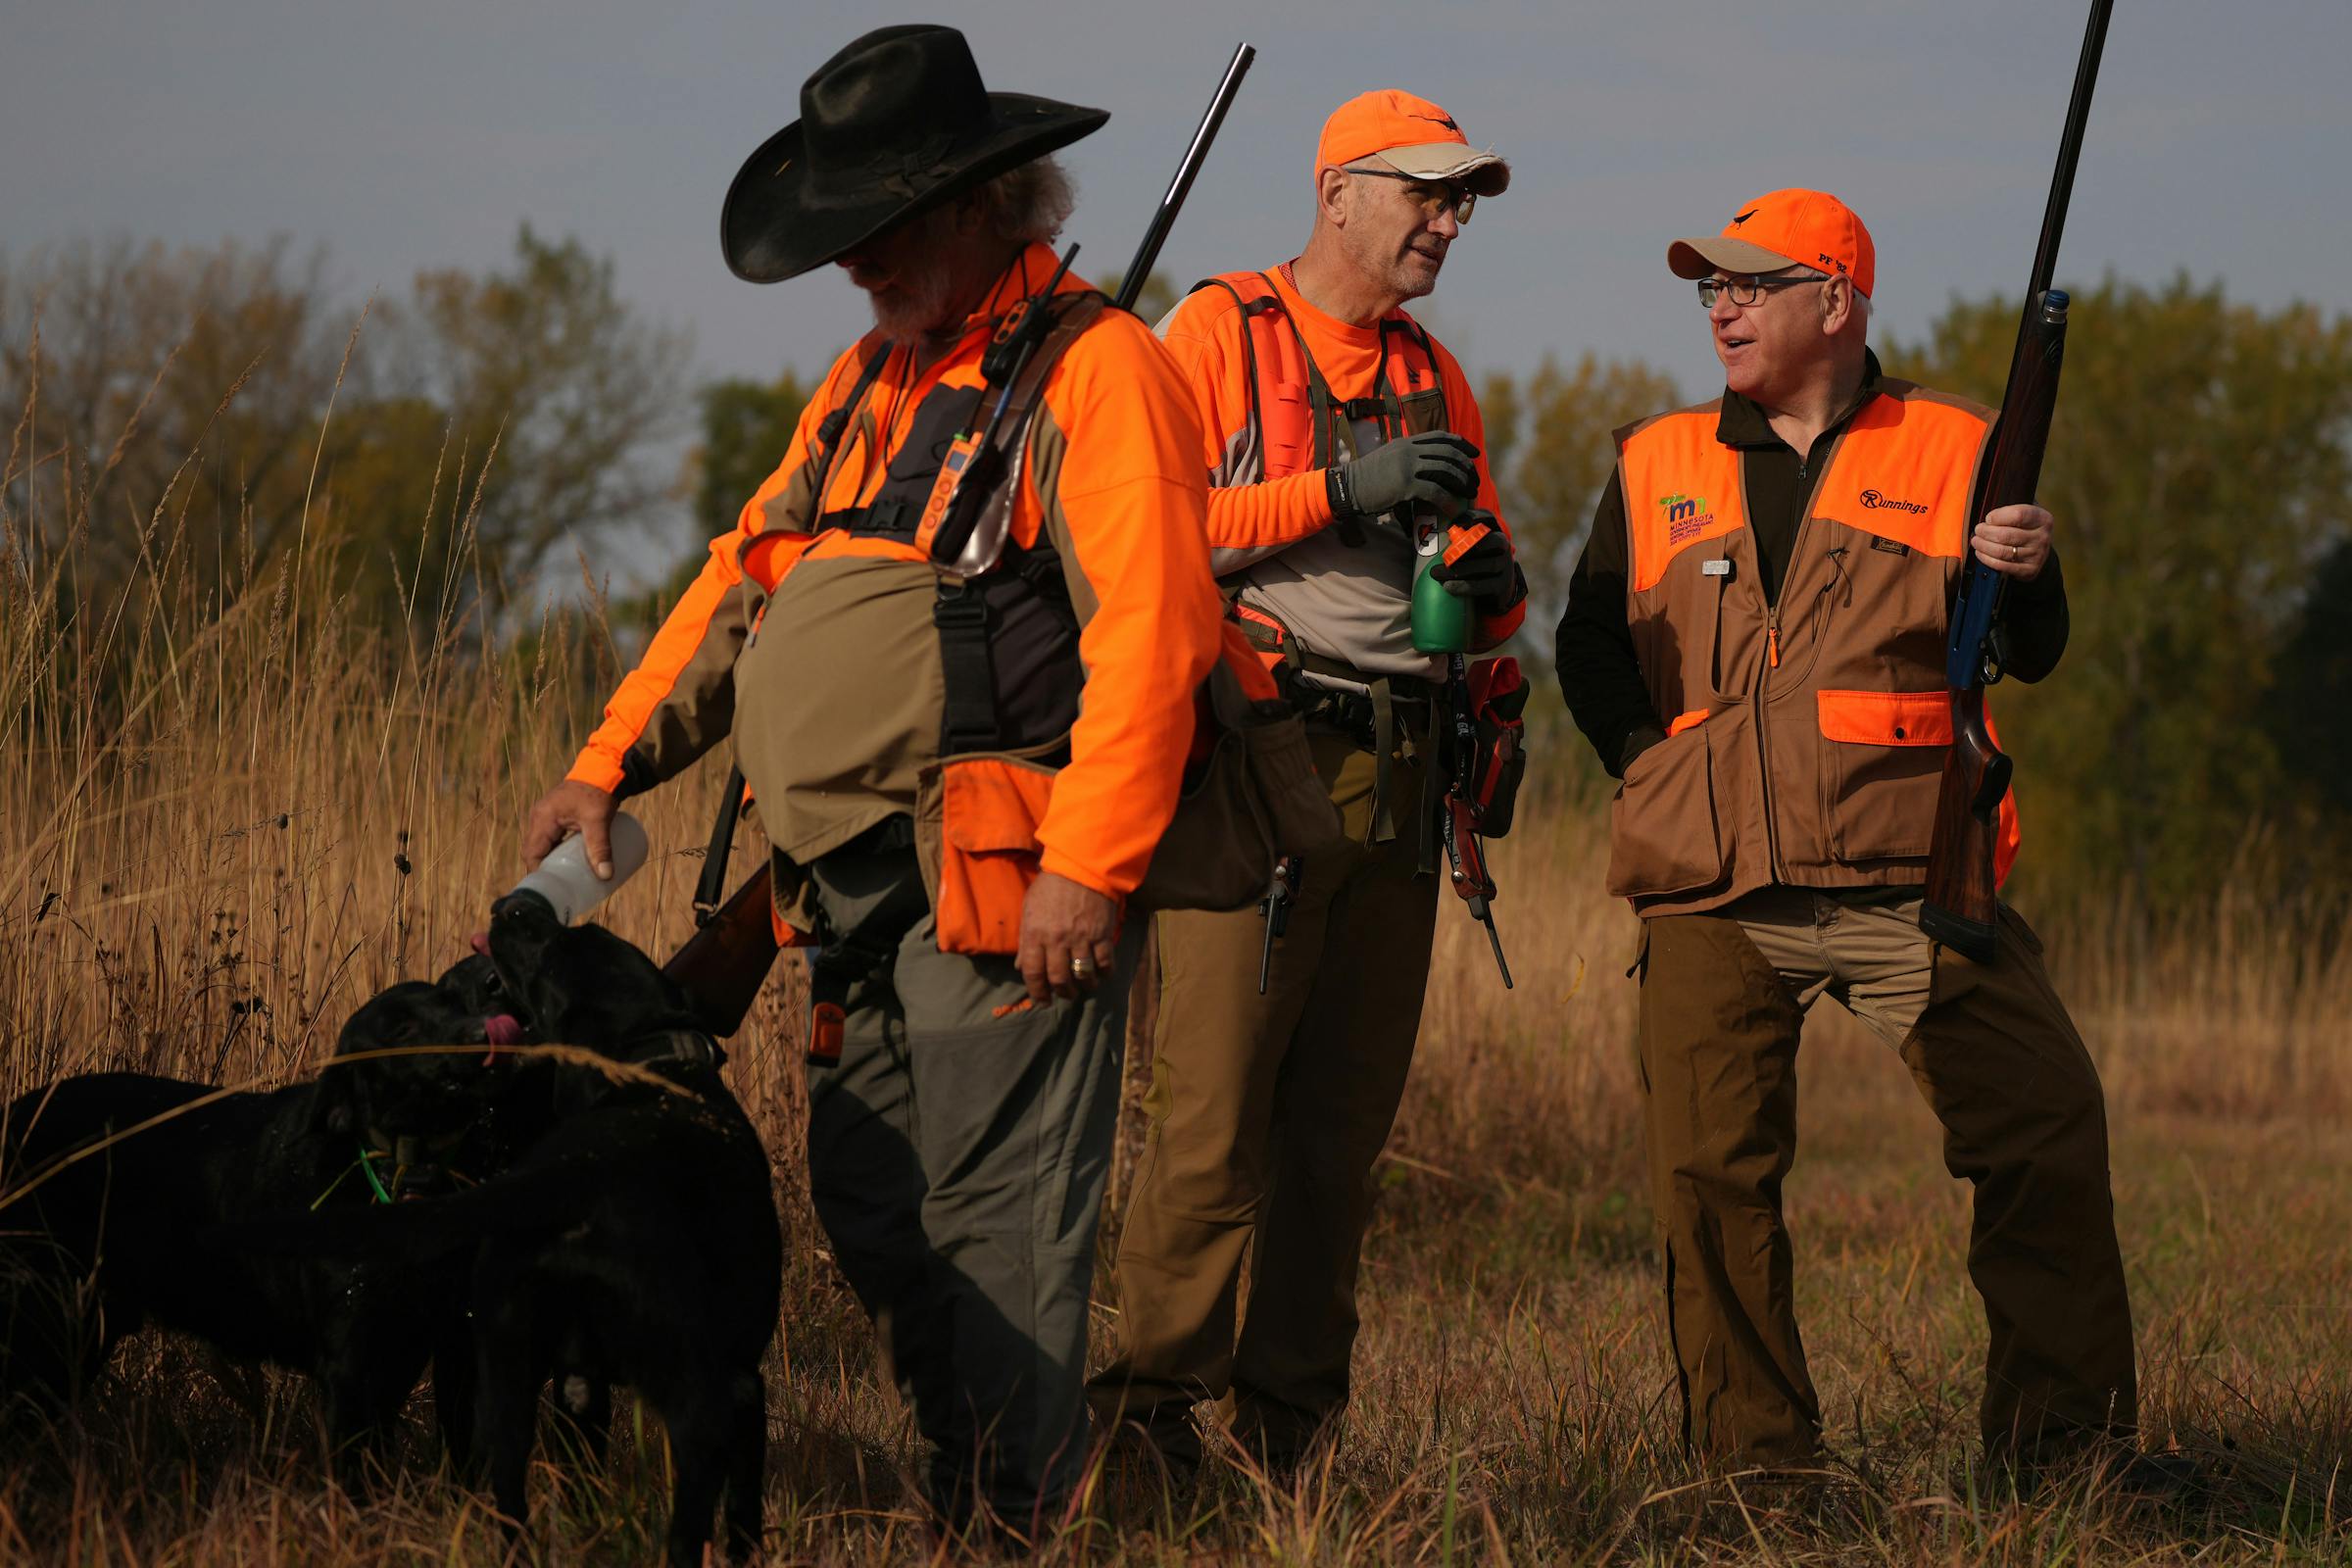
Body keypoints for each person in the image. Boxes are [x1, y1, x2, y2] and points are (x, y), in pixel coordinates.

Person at [517, 24, 1225, 1538]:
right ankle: (970, 1486)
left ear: (984, 204)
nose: (853, 266)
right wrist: (607, 765)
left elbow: (1157, 639)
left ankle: (1015, 1518)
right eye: (840, 239)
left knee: (1001, 1225)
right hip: (837, 898)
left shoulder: (1102, 371)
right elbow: (739, 577)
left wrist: (1088, 870)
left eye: (879, 230)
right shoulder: (868, 379)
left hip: (999, 886)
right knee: (876, 1204)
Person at [1553, 188, 2139, 1479]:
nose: (1720, 304)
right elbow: (1588, 644)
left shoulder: (1955, 443)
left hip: (1904, 872)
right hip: (1711, 881)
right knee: (1708, 1180)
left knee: (2044, 1128)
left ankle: (2064, 1461)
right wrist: (1649, 766)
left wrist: (2030, 571)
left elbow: (2025, 653)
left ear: (1836, 300)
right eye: (1709, 286)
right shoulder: (1655, 460)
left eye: (1750, 285)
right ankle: (1760, 1478)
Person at [1090, 89, 1525, 1472]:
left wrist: (1501, 593)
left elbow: (1478, 581)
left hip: (1404, 785)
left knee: (1337, 1144)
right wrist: (1341, 491)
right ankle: (1151, 1426)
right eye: (1428, 193)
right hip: (1256, 769)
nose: (1449, 222)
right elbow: (1145, 528)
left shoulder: (1437, 372)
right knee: (1212, 1125)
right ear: (1339, 191)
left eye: (1463, 201)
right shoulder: (1215, 331)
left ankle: (1289, 1441)